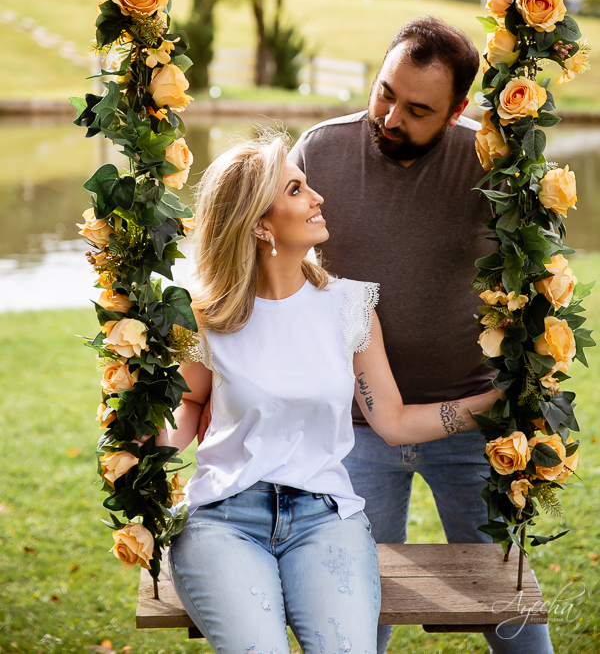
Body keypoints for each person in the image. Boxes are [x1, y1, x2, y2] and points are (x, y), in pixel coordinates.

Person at [162, 130, 503, 654]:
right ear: (258, 224)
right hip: (224, 518)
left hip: (325, 518)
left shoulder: (349, 308)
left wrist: (498, 404)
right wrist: (139, 442)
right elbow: (188, 404)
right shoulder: (208, 317)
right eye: (296, 190)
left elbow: (391, 421)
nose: (318, 197)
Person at [289, 14, 554, 654]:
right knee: (355, 608)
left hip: (470, 422)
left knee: (508, 604)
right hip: (354, 425)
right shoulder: (318, 153)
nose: (390, 117)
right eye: (385, 92)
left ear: (457, 109)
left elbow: (540, 281)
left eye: (417, 109)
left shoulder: (494, 168)